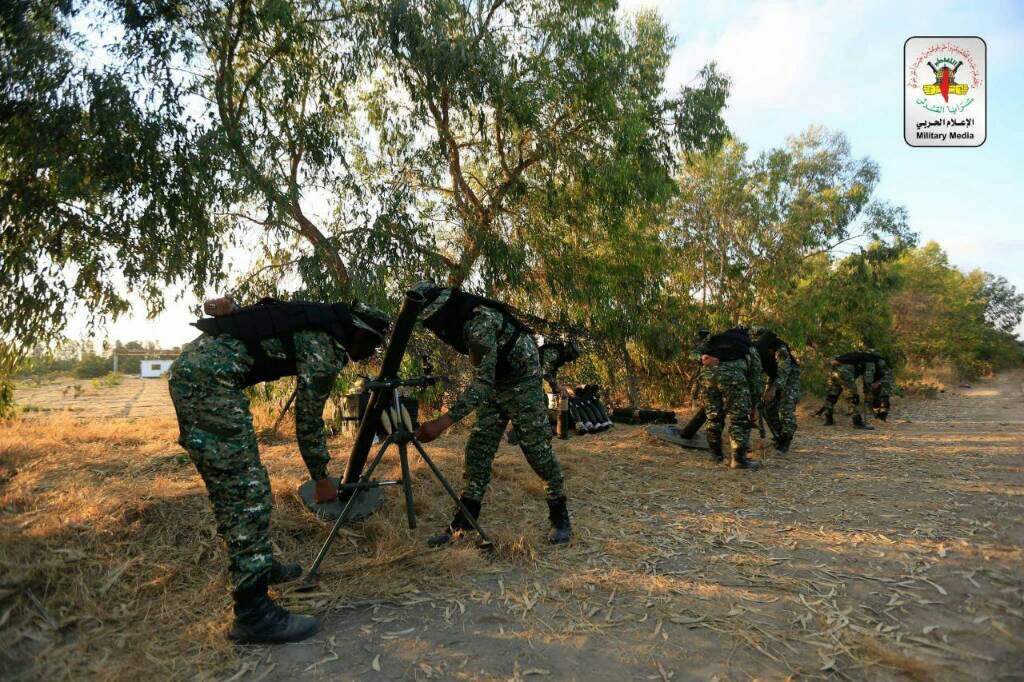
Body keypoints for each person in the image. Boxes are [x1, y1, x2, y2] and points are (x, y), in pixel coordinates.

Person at [168, 296, 389, 644]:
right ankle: (254, 614)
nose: (371, 352)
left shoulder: (313, 320)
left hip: (199, 375)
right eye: (372, 342)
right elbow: (308, 419)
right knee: (246, 493)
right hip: (208, 384)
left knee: (240, 486)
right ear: (358, 331)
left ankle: (258, 564)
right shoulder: (326, 347)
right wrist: (321, 478)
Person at [409, 283, 571, 545]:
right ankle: (463, 524)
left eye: (431, 321)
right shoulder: (465, 321)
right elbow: (487, 378)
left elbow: (481, 384)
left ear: (442, 313)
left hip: (523, 382)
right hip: (497, 384)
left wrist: (442, 422)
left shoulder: (479, 324)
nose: (432, 328)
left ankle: (560, 518)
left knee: (538, 453)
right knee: (478, 451)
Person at [696, 327, 764, 469]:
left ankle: (716, 455)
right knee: (739, 418)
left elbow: (695, 354)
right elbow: (755, 379)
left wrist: (701, 359)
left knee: (713, 416)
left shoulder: (715, 341)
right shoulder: (749, 347)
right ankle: (738, 460)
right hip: (733, 377)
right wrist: (754, 404)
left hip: (707, 376)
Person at [751, 327, 801, 453]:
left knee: (786, 407)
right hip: (774, 376)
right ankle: (779, 433)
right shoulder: (757, 350)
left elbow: (784, 371)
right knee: (767, 406)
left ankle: (786, 439)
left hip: (790, 376)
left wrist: (773, 389)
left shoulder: (780, 348)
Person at [820, 350, 887, 429]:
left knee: (833, 394)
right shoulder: (871, 361)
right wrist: (867, 391)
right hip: (845, 372)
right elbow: (868, 380)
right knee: (852, 397)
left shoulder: (863, 356)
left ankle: (828, 419)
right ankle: (857, 422)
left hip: (834, 370)